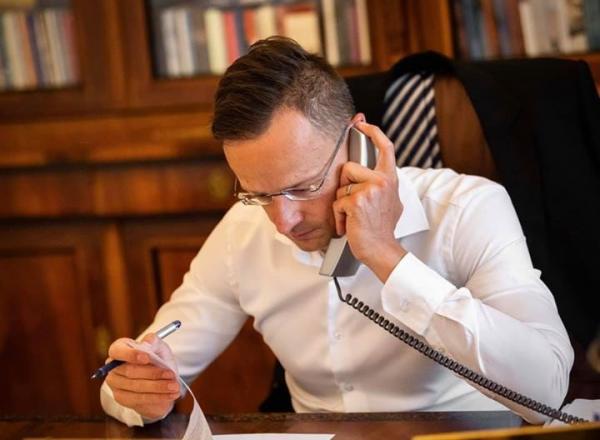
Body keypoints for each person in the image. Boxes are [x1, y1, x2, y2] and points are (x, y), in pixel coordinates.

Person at [100, 37, 573, 426]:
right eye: (258, 194)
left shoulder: (467, 208)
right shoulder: (241, 232)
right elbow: (137, 370)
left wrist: (387, 257)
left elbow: (546, 391)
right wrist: (135, 391)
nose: (283, 222)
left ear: (359, 142)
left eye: (303, 187)